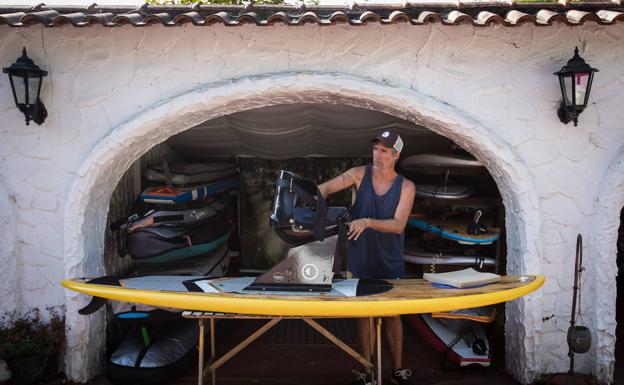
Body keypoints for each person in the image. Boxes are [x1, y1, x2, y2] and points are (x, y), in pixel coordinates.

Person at [318, 129, 416, 385]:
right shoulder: (358, 174)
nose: (378, 154)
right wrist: (312, 206)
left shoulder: (406, 186)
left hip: (390, 259)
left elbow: (398, 225)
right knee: (364, 314)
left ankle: (398, 370)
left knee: (393, 315)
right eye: (375, 149)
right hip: (360, 258)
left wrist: (368, 222)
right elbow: (325, 188)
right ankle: (366, 370)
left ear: (396, 155)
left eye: (384, 150)